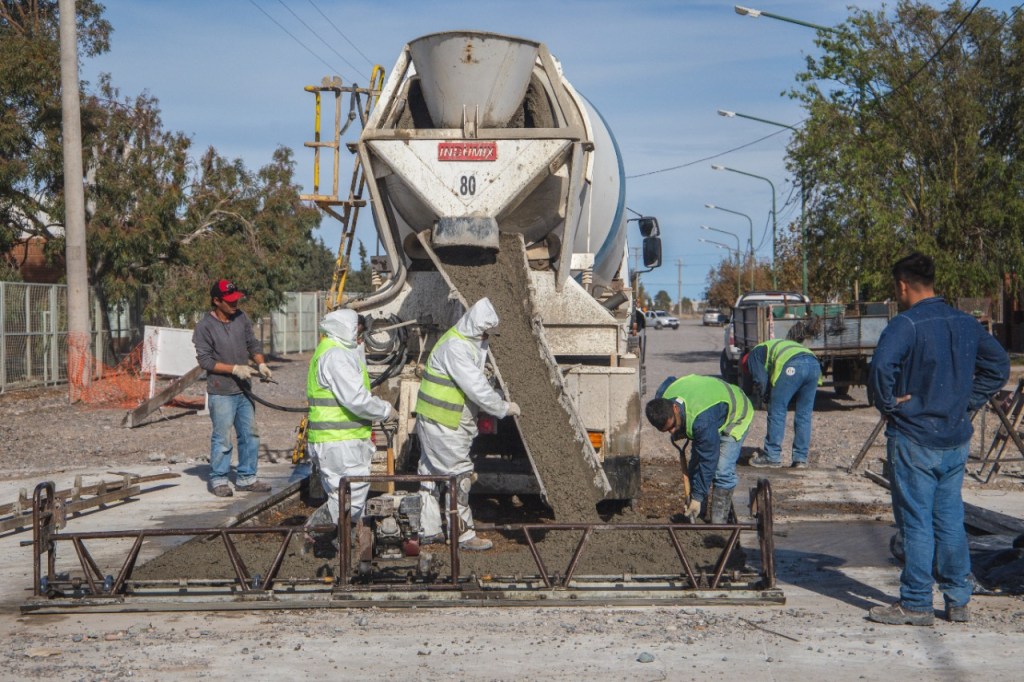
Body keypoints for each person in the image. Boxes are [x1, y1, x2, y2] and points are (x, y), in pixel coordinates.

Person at [867, 252, 1008, 626]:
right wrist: (967, 402)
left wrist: (888, 405)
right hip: (954, 439)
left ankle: (915, 603)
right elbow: (998, 367)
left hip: (915, 438)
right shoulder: (965, 323)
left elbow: (881, 367)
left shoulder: (906, 324)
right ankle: (958, 599)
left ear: (902, 285)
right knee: (949, 519)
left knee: (916, 521)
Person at [415, 297, 521, 551]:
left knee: (430, 474)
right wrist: (504, 408)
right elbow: (476, 389)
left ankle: (428, 529)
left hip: (436, 418)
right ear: (476, 327)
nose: (487, 337)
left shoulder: (460, 341)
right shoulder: (457, 347)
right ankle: (463, 535)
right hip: (445, 422)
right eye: (485, 332)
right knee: (459, 475)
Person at [304, 309, 394, 536]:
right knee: (349, 500)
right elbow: (356, 399)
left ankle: (337, 543)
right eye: (356, 331)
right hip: (341, 442)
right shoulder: (336, 356)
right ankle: (313, 534)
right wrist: (384, 410)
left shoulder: (331, 350)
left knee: (341, 496)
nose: (358, 337)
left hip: (334, 440)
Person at [193, 279, 273, 497]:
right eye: (229, 301)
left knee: (250, 434)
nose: (234, 304)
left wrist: (260, 363)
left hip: (244, 390)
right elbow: (206, 361)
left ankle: (247, 478)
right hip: (222, 391)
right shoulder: (204, 327)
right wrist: (234, 369)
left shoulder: (241, 317)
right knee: (223, 437)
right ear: (216, 301)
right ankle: (219, 479)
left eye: (236, 299)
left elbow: (252, 344)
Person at [645, 374, 754, 524]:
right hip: (710, 408)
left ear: (675, 408)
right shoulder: (662, 399)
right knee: (695, 464)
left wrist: (696, 498)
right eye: (666, 430)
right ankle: (698, 514)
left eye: (672, 426)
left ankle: (719, 522)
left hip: (736, 413)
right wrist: (678, 428)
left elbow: (709, 459)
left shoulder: (701, 422)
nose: (671, 432)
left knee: (721, 470)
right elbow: (670, 379)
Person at [743, 338, 822, 469]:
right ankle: (800, 459)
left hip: (793, 364)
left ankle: (772, 456)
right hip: (814, 364)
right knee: (804, 415)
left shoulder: (752, 356)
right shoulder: (771, 346)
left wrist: (765, 397)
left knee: (777, 411)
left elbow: (760, 380)